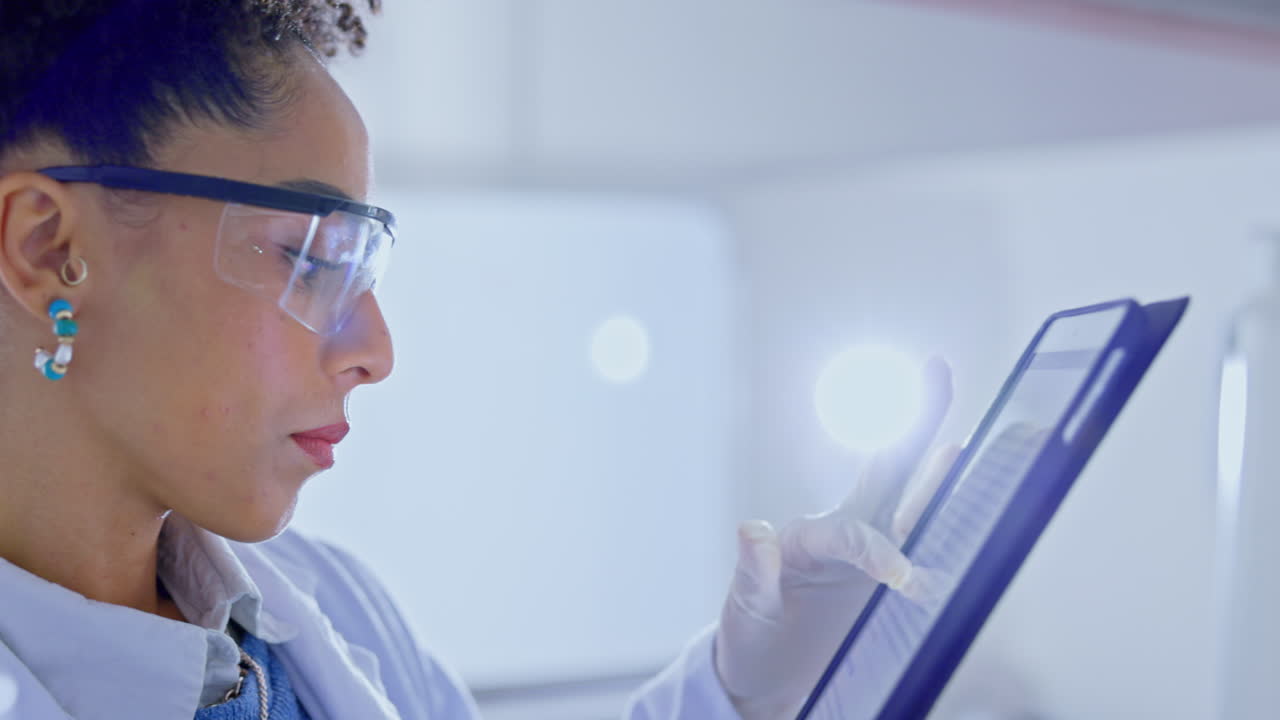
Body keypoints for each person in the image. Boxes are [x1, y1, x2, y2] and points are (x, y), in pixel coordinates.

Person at [0, 2, 958, 719]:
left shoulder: (321, 605)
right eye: (309, 258)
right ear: (50, 250)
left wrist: (745, 687)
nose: (374, 351)